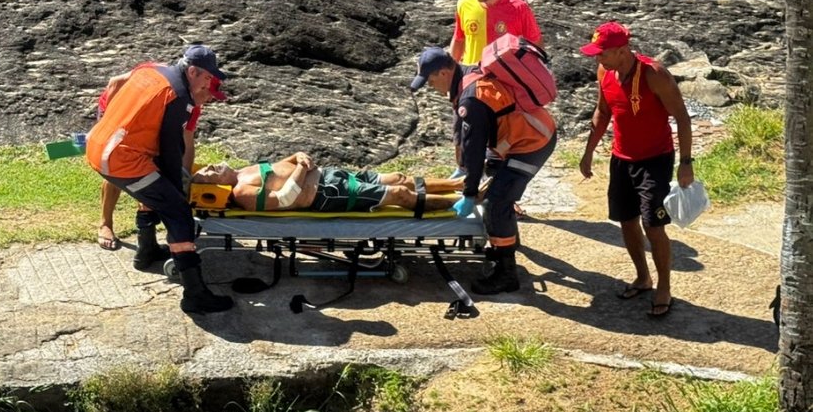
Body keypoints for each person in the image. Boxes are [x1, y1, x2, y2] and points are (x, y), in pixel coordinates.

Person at [86, 44, 233, 314]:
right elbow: (170, 148)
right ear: (192, 72)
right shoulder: (177, 96)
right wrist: (178, 193)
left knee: (155, 191)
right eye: (206, 77)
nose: (209, 82)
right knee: (176, 210)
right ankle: (195, 294)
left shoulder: (153, 70)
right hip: (121, 159)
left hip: (99, 146)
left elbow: (118, 85)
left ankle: (147, 252)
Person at [410, 47, 556, 295]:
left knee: (495, 202)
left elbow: (474, 148)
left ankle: (506, 272)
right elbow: (474, 142)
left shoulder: (471, 98)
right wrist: (466, 171)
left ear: (445, 72)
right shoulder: (468, 75)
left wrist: (468, 193)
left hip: (531, 143)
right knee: (496, 187)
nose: (432, 87)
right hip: (519, 137)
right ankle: (506, 241)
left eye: (432, 81)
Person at [578, 22, 694, 318]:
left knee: (653, 226)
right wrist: (588, 152)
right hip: (621, 158)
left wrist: (686, 163)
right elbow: (603, 111)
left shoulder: (654, 74)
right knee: (626, 221)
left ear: (621, 50)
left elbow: (681, 116)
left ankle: (664, 288)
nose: (597, 59)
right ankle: (643, 278)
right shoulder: (604, 71)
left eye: (602, 53)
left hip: (655, 159)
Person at [96, 70, 226, 259]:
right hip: (120, 110)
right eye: (209, 94)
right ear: (200, 84)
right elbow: (115, 80)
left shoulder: (192, 106)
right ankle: (105, 223)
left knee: (151, 175)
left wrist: (183, 178)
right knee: (117, 165)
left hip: (149, 121)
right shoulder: (165, 84)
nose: (210, 100)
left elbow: (187, 142)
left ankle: (147, 247)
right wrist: (112, 117)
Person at [447, 0, 544, 184]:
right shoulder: (465, 4)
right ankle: (462, 181)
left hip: (502, 87)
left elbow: (535, 48)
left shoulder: (518, 9)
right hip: (469, 82)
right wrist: (452, 79)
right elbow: (459, 40)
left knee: (499, 142)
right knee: (462, 135)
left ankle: (500, 194)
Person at [192, 154, 464, 213]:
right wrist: (301, 168)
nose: (210, 167)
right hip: (327, 193)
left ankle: (461, 184)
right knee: (399, 194)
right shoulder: (241, 192)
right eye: (206, 174)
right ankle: (458, 204)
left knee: (398, 178)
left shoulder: (244, 169)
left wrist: (296, 156)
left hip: (330, 174)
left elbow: (280, 167)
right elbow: (285, 198)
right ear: (215, 188)